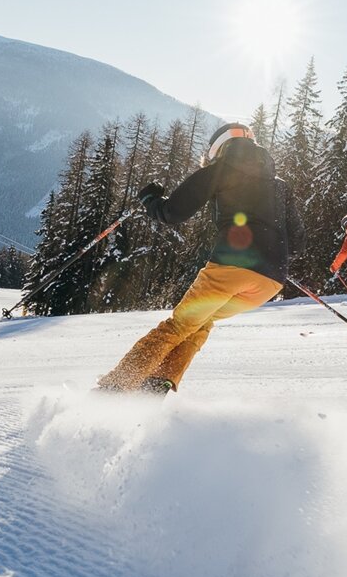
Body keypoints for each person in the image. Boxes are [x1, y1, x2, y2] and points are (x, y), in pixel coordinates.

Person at [96, 122, 304, 395]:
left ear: (220, 148)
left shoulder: (220, 170)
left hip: (231, 267)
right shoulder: (280, 186)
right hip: (270, 281)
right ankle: (155, 385)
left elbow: (173, 212)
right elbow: (298, 241)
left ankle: (114, 388)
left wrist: (151, 199)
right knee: (201, 322)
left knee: (178, 325)